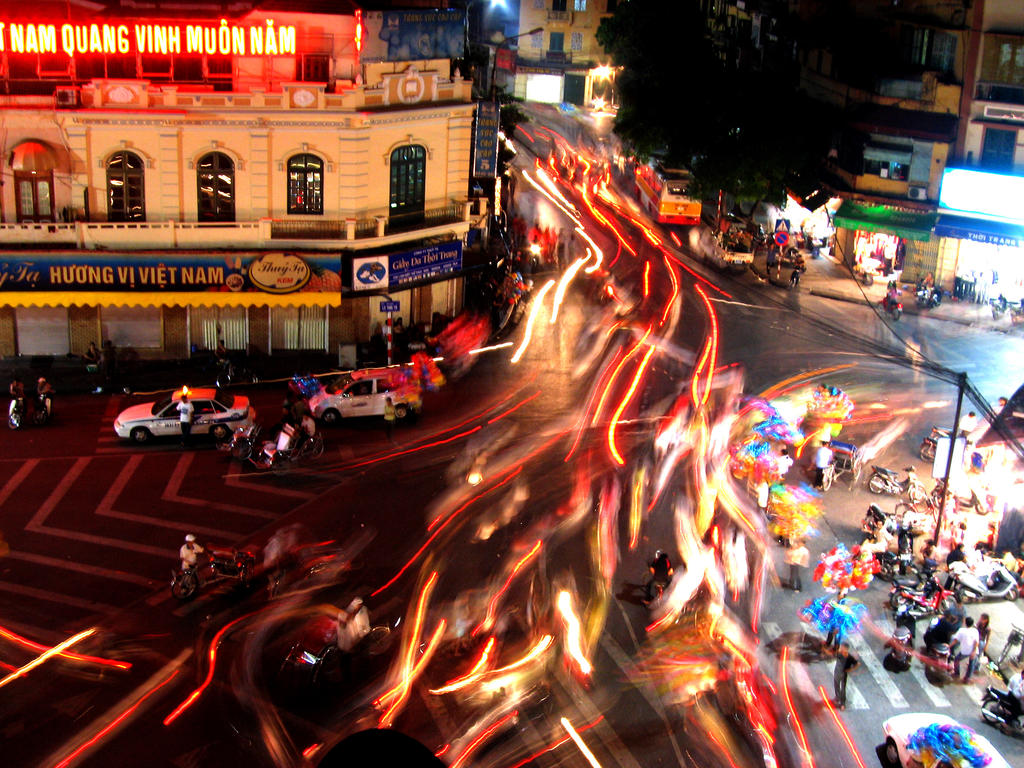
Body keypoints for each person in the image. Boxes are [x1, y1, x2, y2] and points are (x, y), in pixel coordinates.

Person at [951, 616, 980, 682]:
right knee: (971, 664)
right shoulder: (975, 631)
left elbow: (955, 640)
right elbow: (976, 642)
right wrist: (974, 651)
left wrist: (949, 646)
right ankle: (967, 678)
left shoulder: (961, 630)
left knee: (956, 660)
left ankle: (956, 673)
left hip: (965, 651)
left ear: (965, 623)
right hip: (973, 650)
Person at [833, 642, 860, 710]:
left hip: (843, 674)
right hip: (837, 672)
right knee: (836, 685)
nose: (841, 649)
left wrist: (851, 669)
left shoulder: (849, 657)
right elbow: (834, 655)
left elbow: (857, 663)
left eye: (842, 648)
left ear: (846, 649)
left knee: (843, 688)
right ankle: (837, 697)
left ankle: (842, 703)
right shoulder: (839, 654)